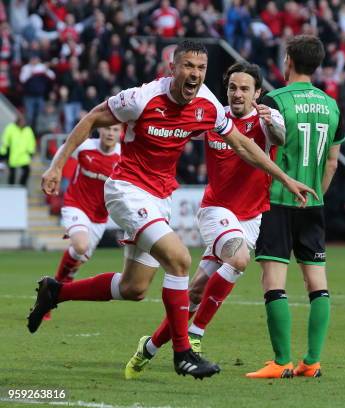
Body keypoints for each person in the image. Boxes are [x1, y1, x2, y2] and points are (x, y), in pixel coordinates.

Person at [28, 40, 315, 380]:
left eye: (200, 68)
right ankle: (184, 351)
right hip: (127, 189)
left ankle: (56, 291)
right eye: (188, 66)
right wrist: (57, 164)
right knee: (179, 259)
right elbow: (92, 118)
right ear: (173, 68)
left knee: (134, 288)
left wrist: (286, 179)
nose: (194, 74)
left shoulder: (207, 105)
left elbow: (242, 145)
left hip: (158, 198)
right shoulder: (142, 97)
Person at [123, 61, 285, 379]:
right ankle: (195, 336)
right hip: (216, 210)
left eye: (245, 89)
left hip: (251, 216)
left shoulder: (267, 120)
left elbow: (281, 136)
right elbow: (180, 127)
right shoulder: (213, 116)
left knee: (195, 293)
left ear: (258, 93)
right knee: (239, 258)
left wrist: (274, 120)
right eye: (232, 88)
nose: (237, 94)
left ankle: (148, 348)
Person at [246, 35, 344, 379]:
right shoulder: (332, 105)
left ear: (288, 59)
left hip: (277, 199)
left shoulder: (274, 99)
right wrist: (315, 193)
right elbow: (332, 163)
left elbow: (260, 147)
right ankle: (312, 361)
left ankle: (281, 361)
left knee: (274, 282)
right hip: (313, 201)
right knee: (318, 284)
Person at [45, 125, 122, 320]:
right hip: (75, 205)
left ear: (120, 133)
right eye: (107, 129)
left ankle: (55, 287)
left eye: (115, 129)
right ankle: (50, 296)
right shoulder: (85, 146)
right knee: (80, 245)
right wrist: (55, 170)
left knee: (80, 257)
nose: (110, 133)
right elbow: (64, 150)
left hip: (99, 217)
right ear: (100, 131)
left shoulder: (124, 156)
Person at [0, 113, 36, 186]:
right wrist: (3, 152)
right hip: (12, 154)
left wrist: (31, 152)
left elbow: (31, 141)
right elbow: (5, 140)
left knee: (26, 171)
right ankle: (11, 187)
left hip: (23, 155)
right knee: (12, 173)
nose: (22, 122)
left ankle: (22, 185)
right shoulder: (10, 128)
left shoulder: (28, 130)